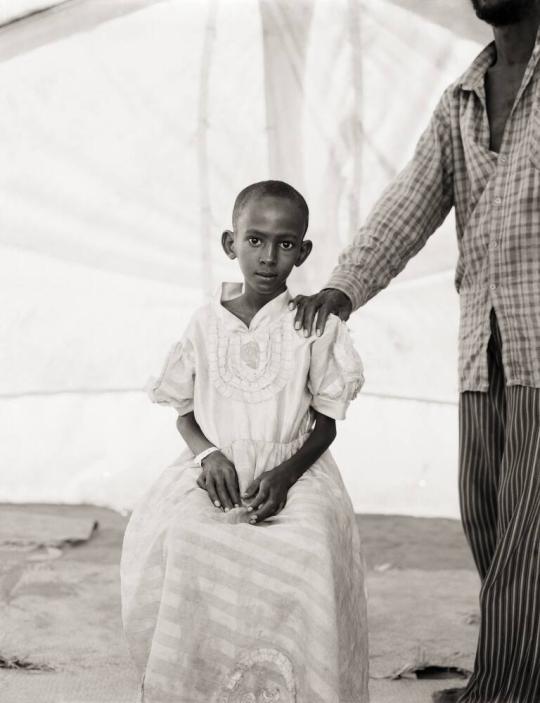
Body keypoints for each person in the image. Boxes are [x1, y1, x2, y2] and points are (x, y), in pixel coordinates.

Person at [291, 2, 540, 702]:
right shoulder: (461, 97)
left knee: (529, 533)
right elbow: (410, 202)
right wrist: (341, 290)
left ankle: (506, 689)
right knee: (486, 512)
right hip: (486, 347)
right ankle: (522, 668)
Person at [120, 180, 369, 703]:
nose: (268, 257)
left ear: (302, 252)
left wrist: (286, 473)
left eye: (284, 244)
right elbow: (184, 410)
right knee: (184, 534)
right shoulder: (204, 323)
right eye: (255, 240)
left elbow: (326, 421)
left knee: (311, 541)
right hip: (220, 467)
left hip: (294, 469)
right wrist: (209, 455)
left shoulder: (314, 326)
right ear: (230, 244)